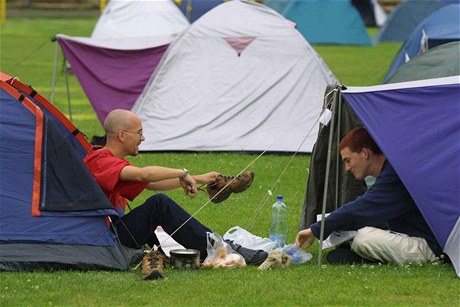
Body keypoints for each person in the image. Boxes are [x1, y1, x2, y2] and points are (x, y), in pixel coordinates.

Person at [83, 109, 253, 279]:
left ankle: (218, 248)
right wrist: (182, 173)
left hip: (109, 234)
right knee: (159, 204)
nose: (142, 138)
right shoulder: (100, 161)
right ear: (122, 135)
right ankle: (217, 250)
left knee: (158, 205)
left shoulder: (109, 162)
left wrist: (199, 179)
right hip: (104, 239)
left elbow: (150, 183)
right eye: (139, 133)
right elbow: (144, 175)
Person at [295, 127, 443, 265]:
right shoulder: (392, 169)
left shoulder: (395, 176)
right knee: (358, 230)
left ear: (365, 153)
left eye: (348, 161)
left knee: (363, 239)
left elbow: (363, 207)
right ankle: (363, 254)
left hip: (431, 246)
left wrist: (317, 229)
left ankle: (365, 258)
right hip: (412, 233)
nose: (347, 169)